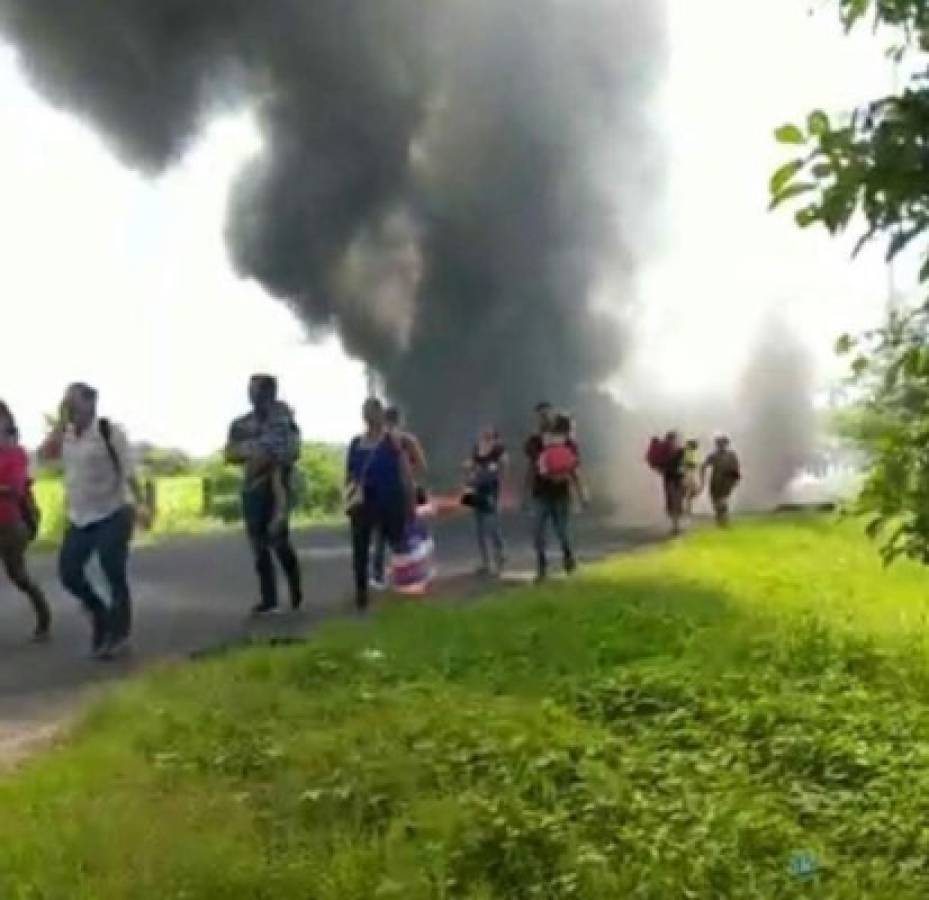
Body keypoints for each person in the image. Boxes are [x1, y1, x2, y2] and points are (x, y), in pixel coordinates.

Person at [38, 383, 148, 659]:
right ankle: (100, 614)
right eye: (67, 402)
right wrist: (60, 424)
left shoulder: (109, 432)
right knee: (69, 573)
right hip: (80, 516)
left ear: (91, 403)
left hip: (113, 511)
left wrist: (142, 504)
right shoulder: (66, 435)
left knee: (113, 573)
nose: (70, 406)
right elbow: (43, 457)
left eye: (74, 401)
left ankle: (119, 635)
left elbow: (130, 471)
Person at [225, 374, 303, 616]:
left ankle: (294, 587)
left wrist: (253, 450)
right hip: (252, 487)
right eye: (251, 390)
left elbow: (288, 451)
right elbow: (229, 453)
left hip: (277, 485)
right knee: (258, 547)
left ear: (269, 393)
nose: (252, 395)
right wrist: (260, 450)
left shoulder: (283, 418)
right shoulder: (242, 422)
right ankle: (269, 599)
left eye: (256, 391)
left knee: (279, 540)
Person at [345, 398, 416, 612]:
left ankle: (405, 587)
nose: (369, 416)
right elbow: (349, 475)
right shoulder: (356, 443)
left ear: (380, 415)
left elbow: (406, 473)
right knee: (360, 549)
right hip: (363, 502)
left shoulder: (392, 441)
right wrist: (349, 495)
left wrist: (410, 501)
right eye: (366, 411)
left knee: (398, 545)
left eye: (373, 411)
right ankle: (361, 594)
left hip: (390, 500)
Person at [0, 401, 50, 642]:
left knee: (18, 575)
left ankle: (43, 618)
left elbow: (16, 490)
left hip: (10, 525)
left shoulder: (16, 454)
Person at [371, 405, 428, 590]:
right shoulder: (405, 439)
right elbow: (422, 465)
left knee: (382, 535)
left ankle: (380, 576)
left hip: (386, 493)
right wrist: (408, 472)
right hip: (403, 492)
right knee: (404, 532)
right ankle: (408, 573)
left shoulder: (378, 441)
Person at [525, 409, 586, 582]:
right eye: (540, 416)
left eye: (545, 416)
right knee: (538, 532)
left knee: (561, 530)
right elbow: (531, 468)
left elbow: (574, 469)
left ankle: (567, 557)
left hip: (559, 493)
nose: (543, 419)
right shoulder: (535, 442)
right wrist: (527, 492)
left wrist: (581, 491)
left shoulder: (567, 443)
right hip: (541, 493)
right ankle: (542, 566)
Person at [464, 426, 508, 576]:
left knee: (491, 524)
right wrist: (470, 473)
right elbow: (472, 465)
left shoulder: (498, 449)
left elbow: (503, 467)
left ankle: (500, 556)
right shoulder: (477, 448)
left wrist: (495, 474)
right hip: (477, 488)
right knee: (479, 527)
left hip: (490, 489)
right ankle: (485, 562)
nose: (485, 433)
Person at [702, 435, 741, 527]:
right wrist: (702, 479)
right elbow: (704, 466)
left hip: (726, 482)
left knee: (722, 500)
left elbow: (736, 468)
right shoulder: (713, 455)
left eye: (723, 443)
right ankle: (720, 519)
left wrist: (735, 480)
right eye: (719, 444)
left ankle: (723, 519)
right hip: (715, 481)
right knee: (716, 501)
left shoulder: (731, 455)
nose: (721, 446)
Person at [660, 431, 687, 535]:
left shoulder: (666, 452)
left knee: (674, 501)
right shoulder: (680, 451)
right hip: (675, 479)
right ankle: (676, 526)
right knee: (675, 501)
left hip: (671, 479)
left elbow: (660, 466)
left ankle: (675, 526)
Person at [682, 438, 702, 516]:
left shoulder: (690, 452)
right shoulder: (687, 452)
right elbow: (689, 463)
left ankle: (687, 509)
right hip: (688, 473)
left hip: (690, 473)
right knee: (690, 491)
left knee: (690, 492)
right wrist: (695, 464)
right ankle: (687, 509)